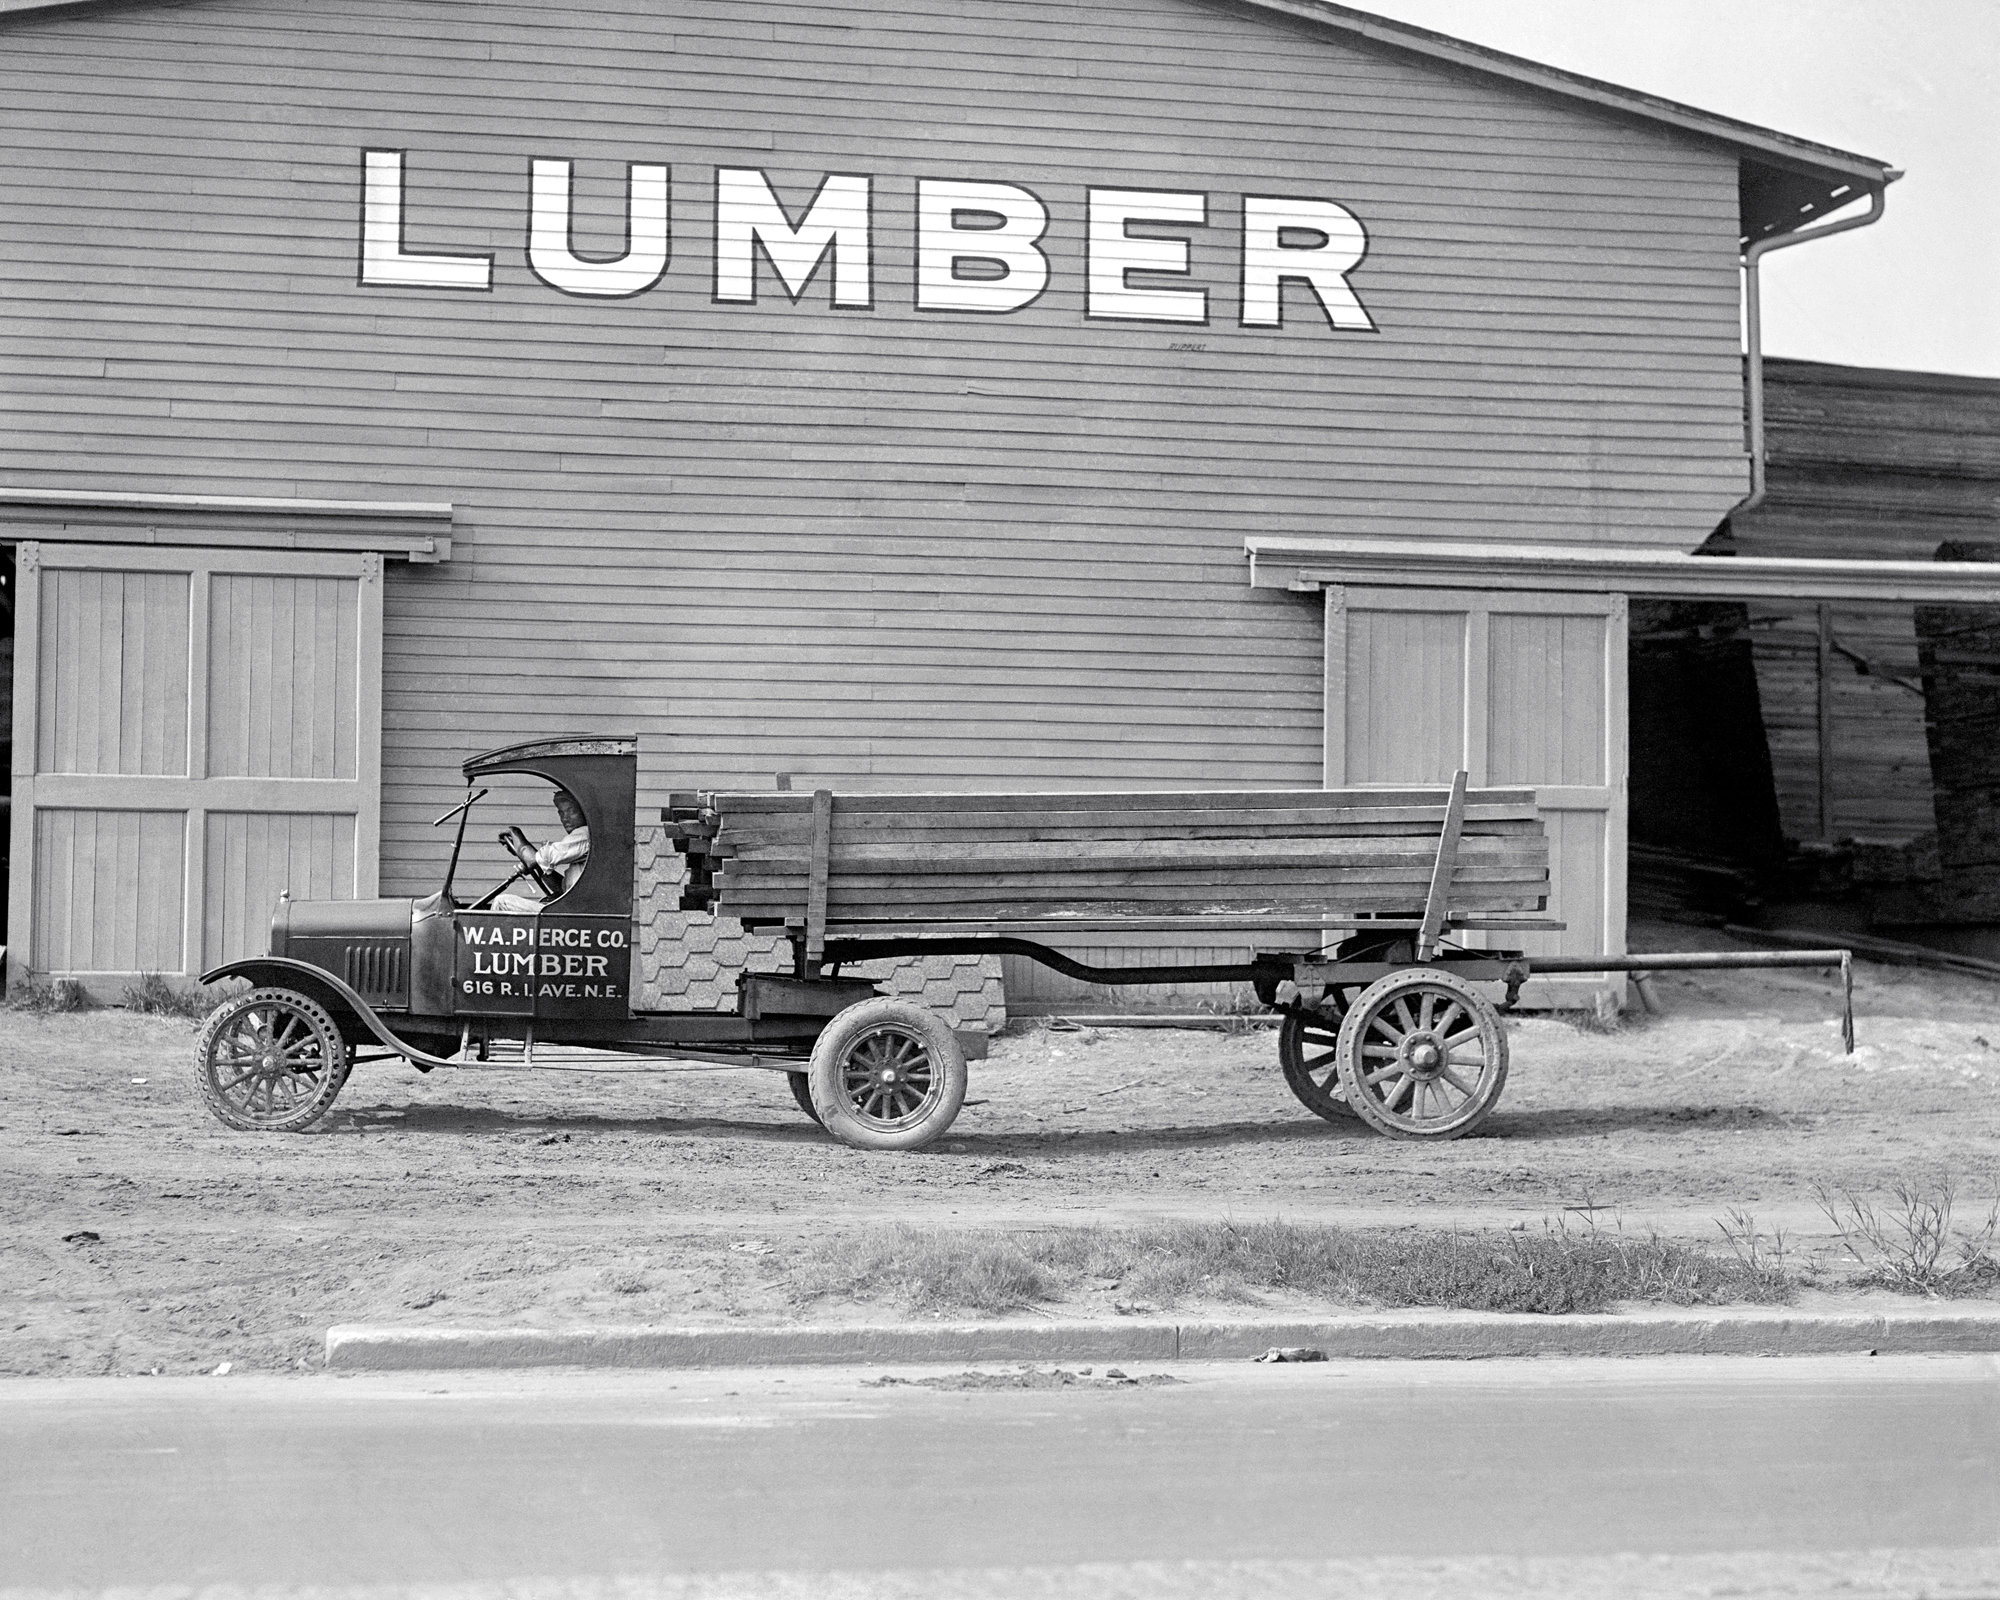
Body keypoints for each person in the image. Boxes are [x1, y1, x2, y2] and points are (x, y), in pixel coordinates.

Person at [491, 788, 589, 913]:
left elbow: (533, 861)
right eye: (561, 813)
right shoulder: (582, 844)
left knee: (501, 903)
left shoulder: (585, 834)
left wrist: (515, 833)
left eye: (571, 811)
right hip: (574, 912)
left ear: (584, 812)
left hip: (574, 914)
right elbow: (561, 889)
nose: (565, 818)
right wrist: (533, 861)